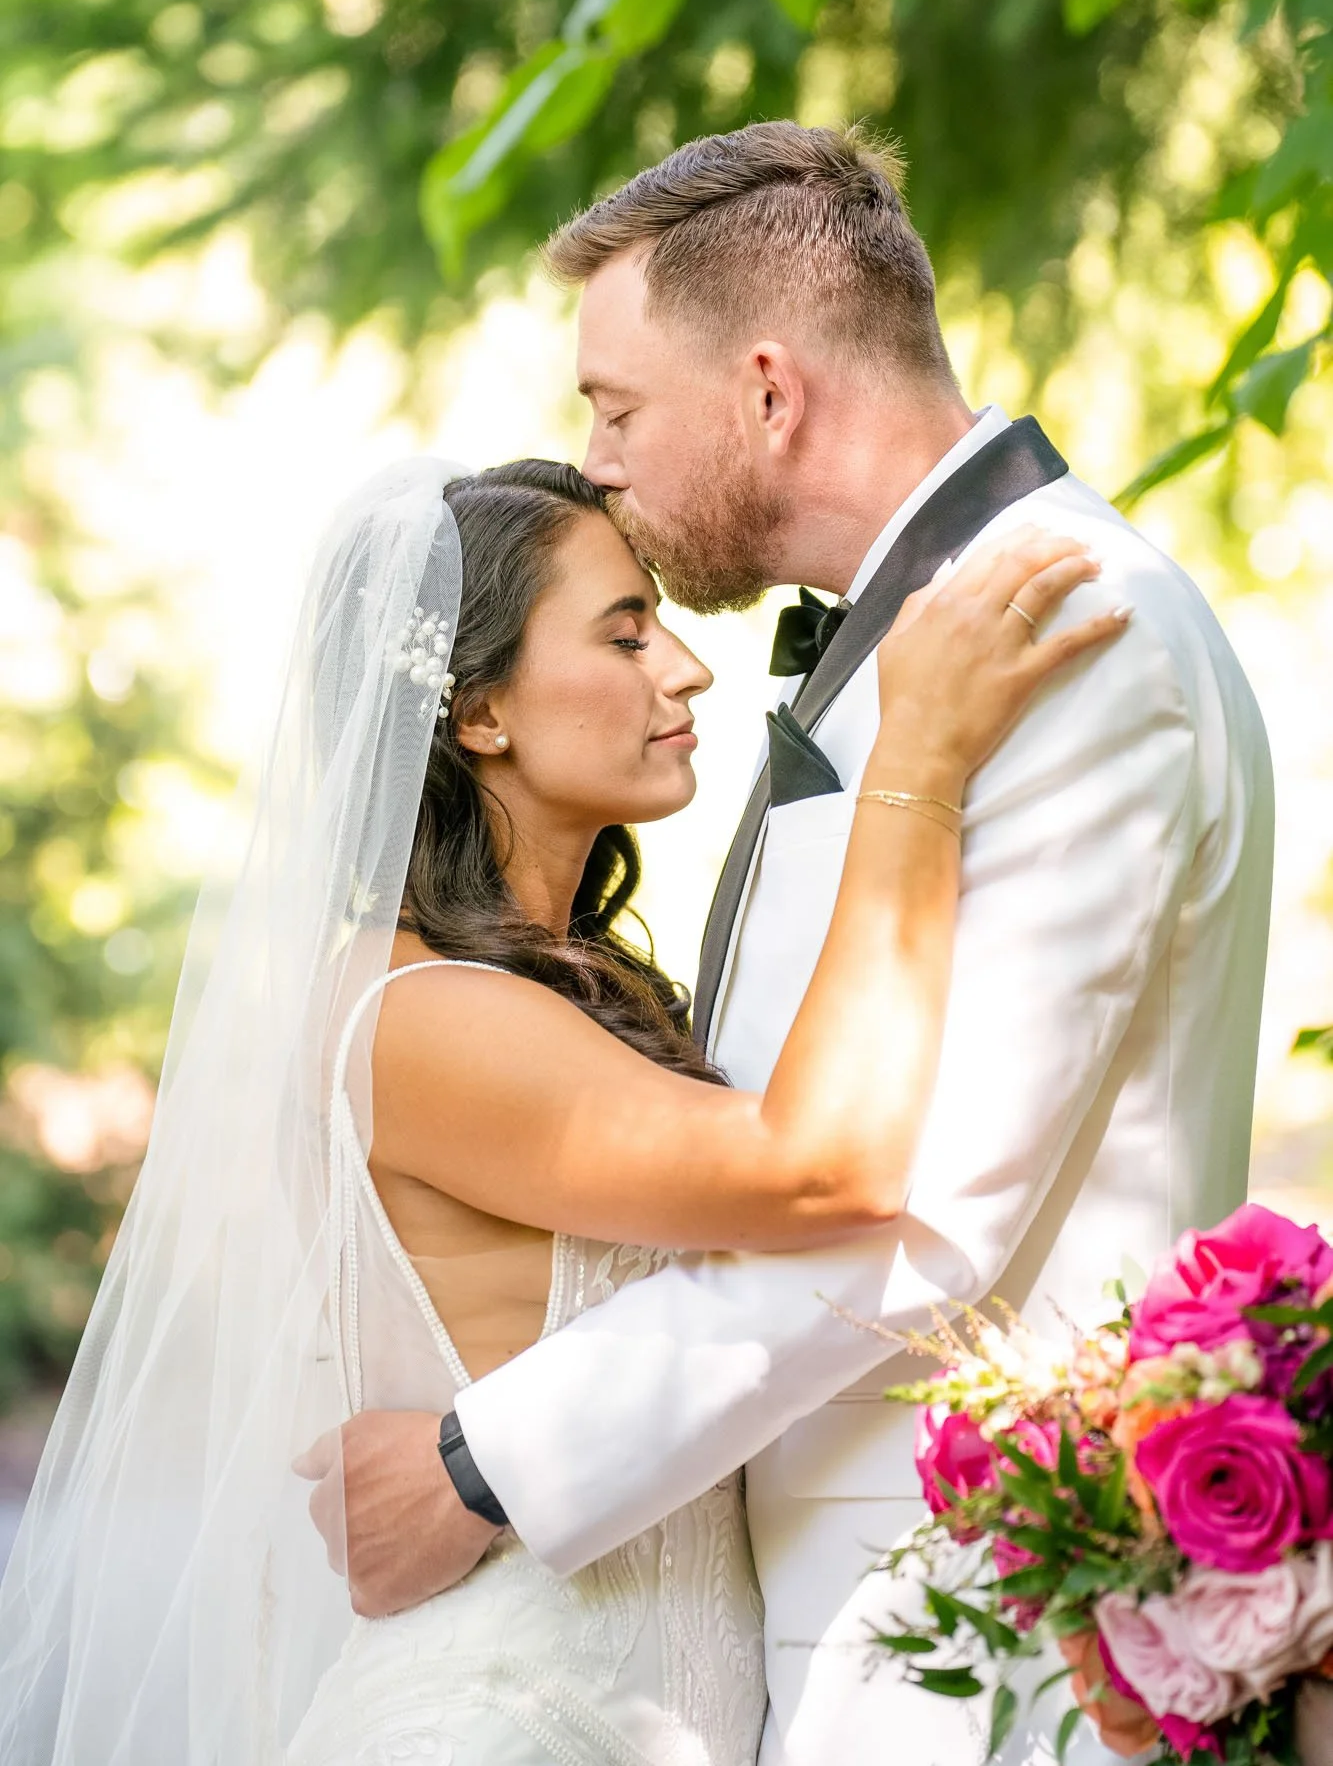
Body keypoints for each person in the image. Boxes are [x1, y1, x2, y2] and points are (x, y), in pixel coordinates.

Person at [323, 124, 1275, 1766]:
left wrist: (494, 1462)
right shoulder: (940, 637)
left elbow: (921, 1210)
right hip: (817, 1645)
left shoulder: (1067, 633)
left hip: (977, 1651)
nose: (599, 458)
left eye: (616, 408)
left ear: (768, 391)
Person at [0, 449, 1119, 1764]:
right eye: (626, 633)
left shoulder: (556, 993)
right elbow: (818, 1169)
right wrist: (917, 763)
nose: (686, 670)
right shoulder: (410, 1012)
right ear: (479, 714)